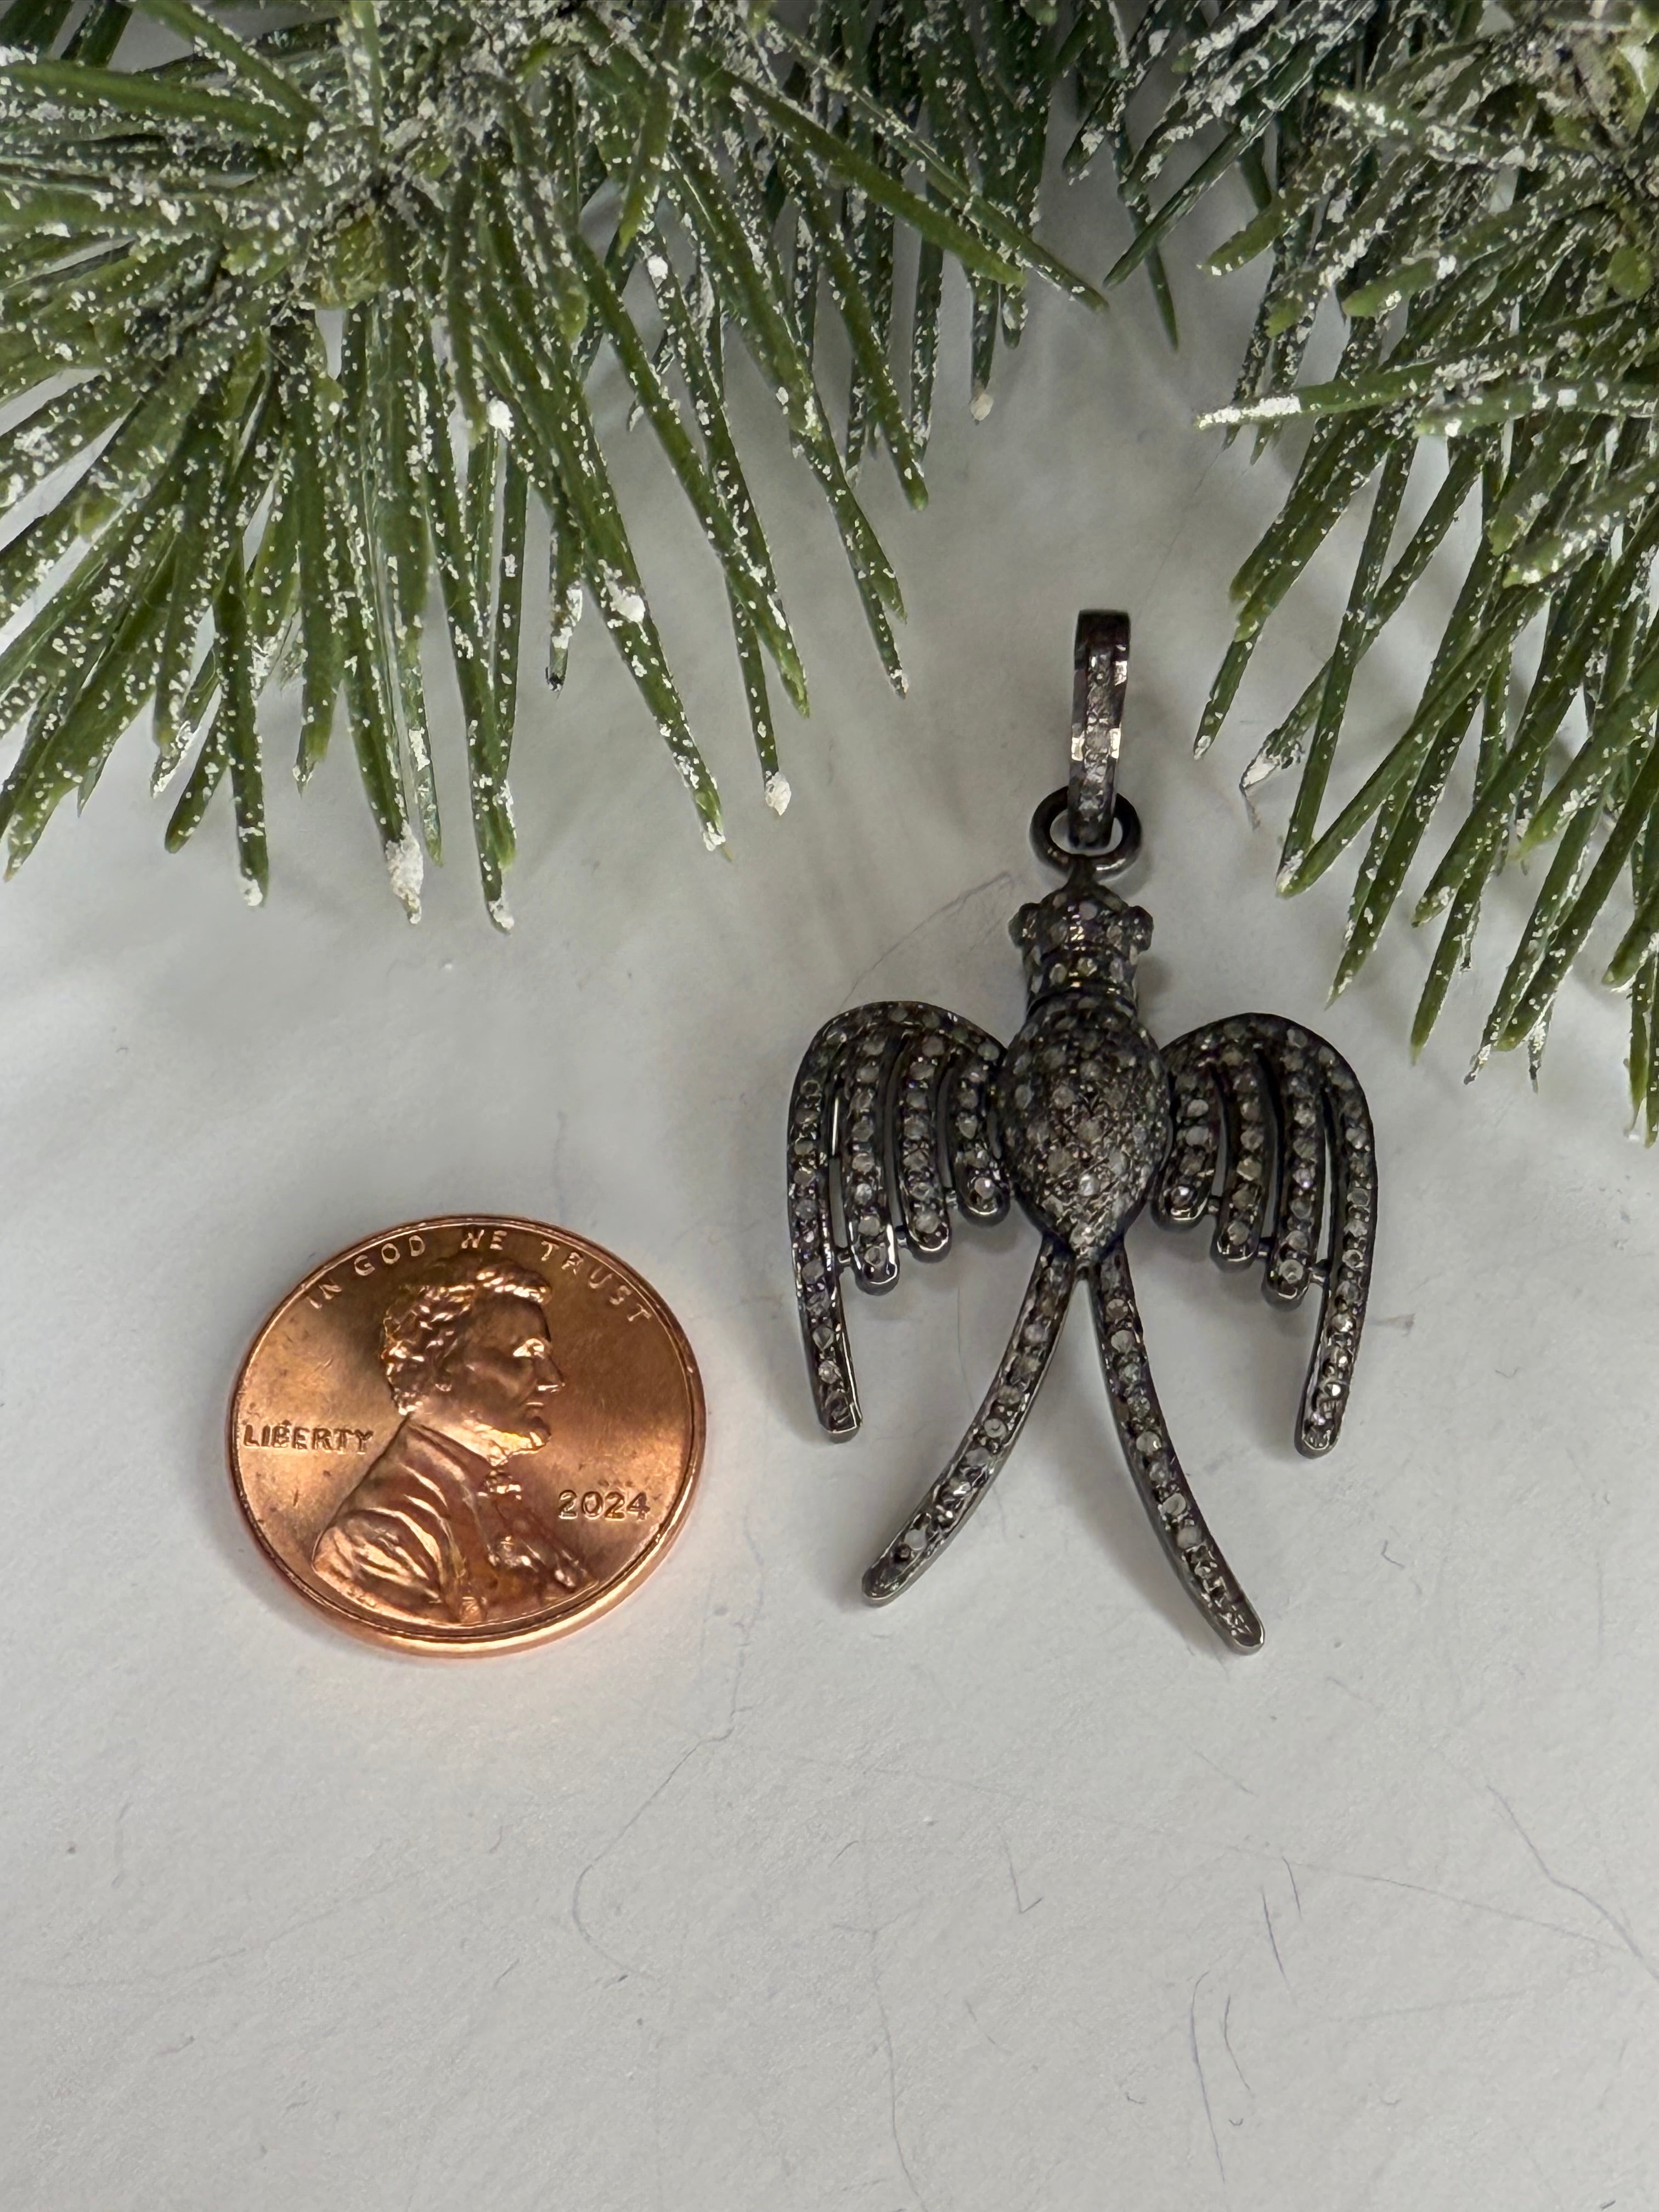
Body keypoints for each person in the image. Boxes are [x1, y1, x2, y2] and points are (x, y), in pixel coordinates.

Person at [311, 1261, 589, 1627]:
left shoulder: (491, 1493)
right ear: (443, 1364)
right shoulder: (372, 1539)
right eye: (526, 1355)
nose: (553, 1380)